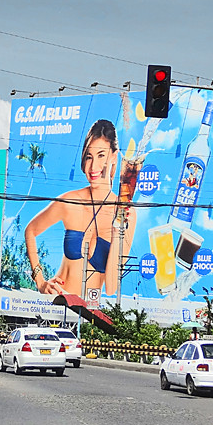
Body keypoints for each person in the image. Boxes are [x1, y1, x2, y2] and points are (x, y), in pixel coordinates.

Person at [24, 119, 136, 296]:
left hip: (89, 314)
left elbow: (112, 287)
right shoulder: (70, 200)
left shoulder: (125, 213)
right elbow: (30, 230)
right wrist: (40, 282)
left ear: (114, 157)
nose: (93, 167)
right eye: (89, 157)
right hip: (55, 303)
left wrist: (117, 233)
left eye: (101, 155)